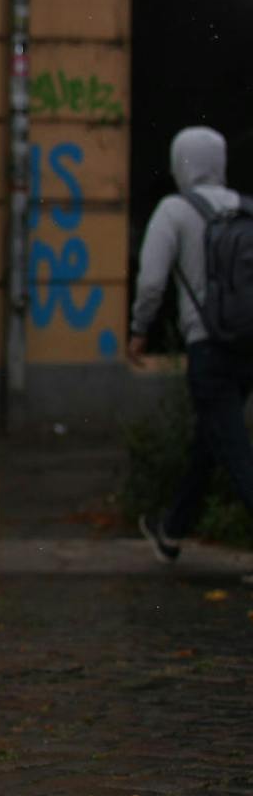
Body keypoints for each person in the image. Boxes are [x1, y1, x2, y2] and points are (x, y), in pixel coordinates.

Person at [130, 126, 253, 562]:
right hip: (247, 345)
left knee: (235, 450)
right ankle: (172, 530)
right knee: (213, 438)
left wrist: (139, 329)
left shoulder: (174, 210)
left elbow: (151, 281)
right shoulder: (244, 208)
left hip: (208, 348)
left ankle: (174, 528)